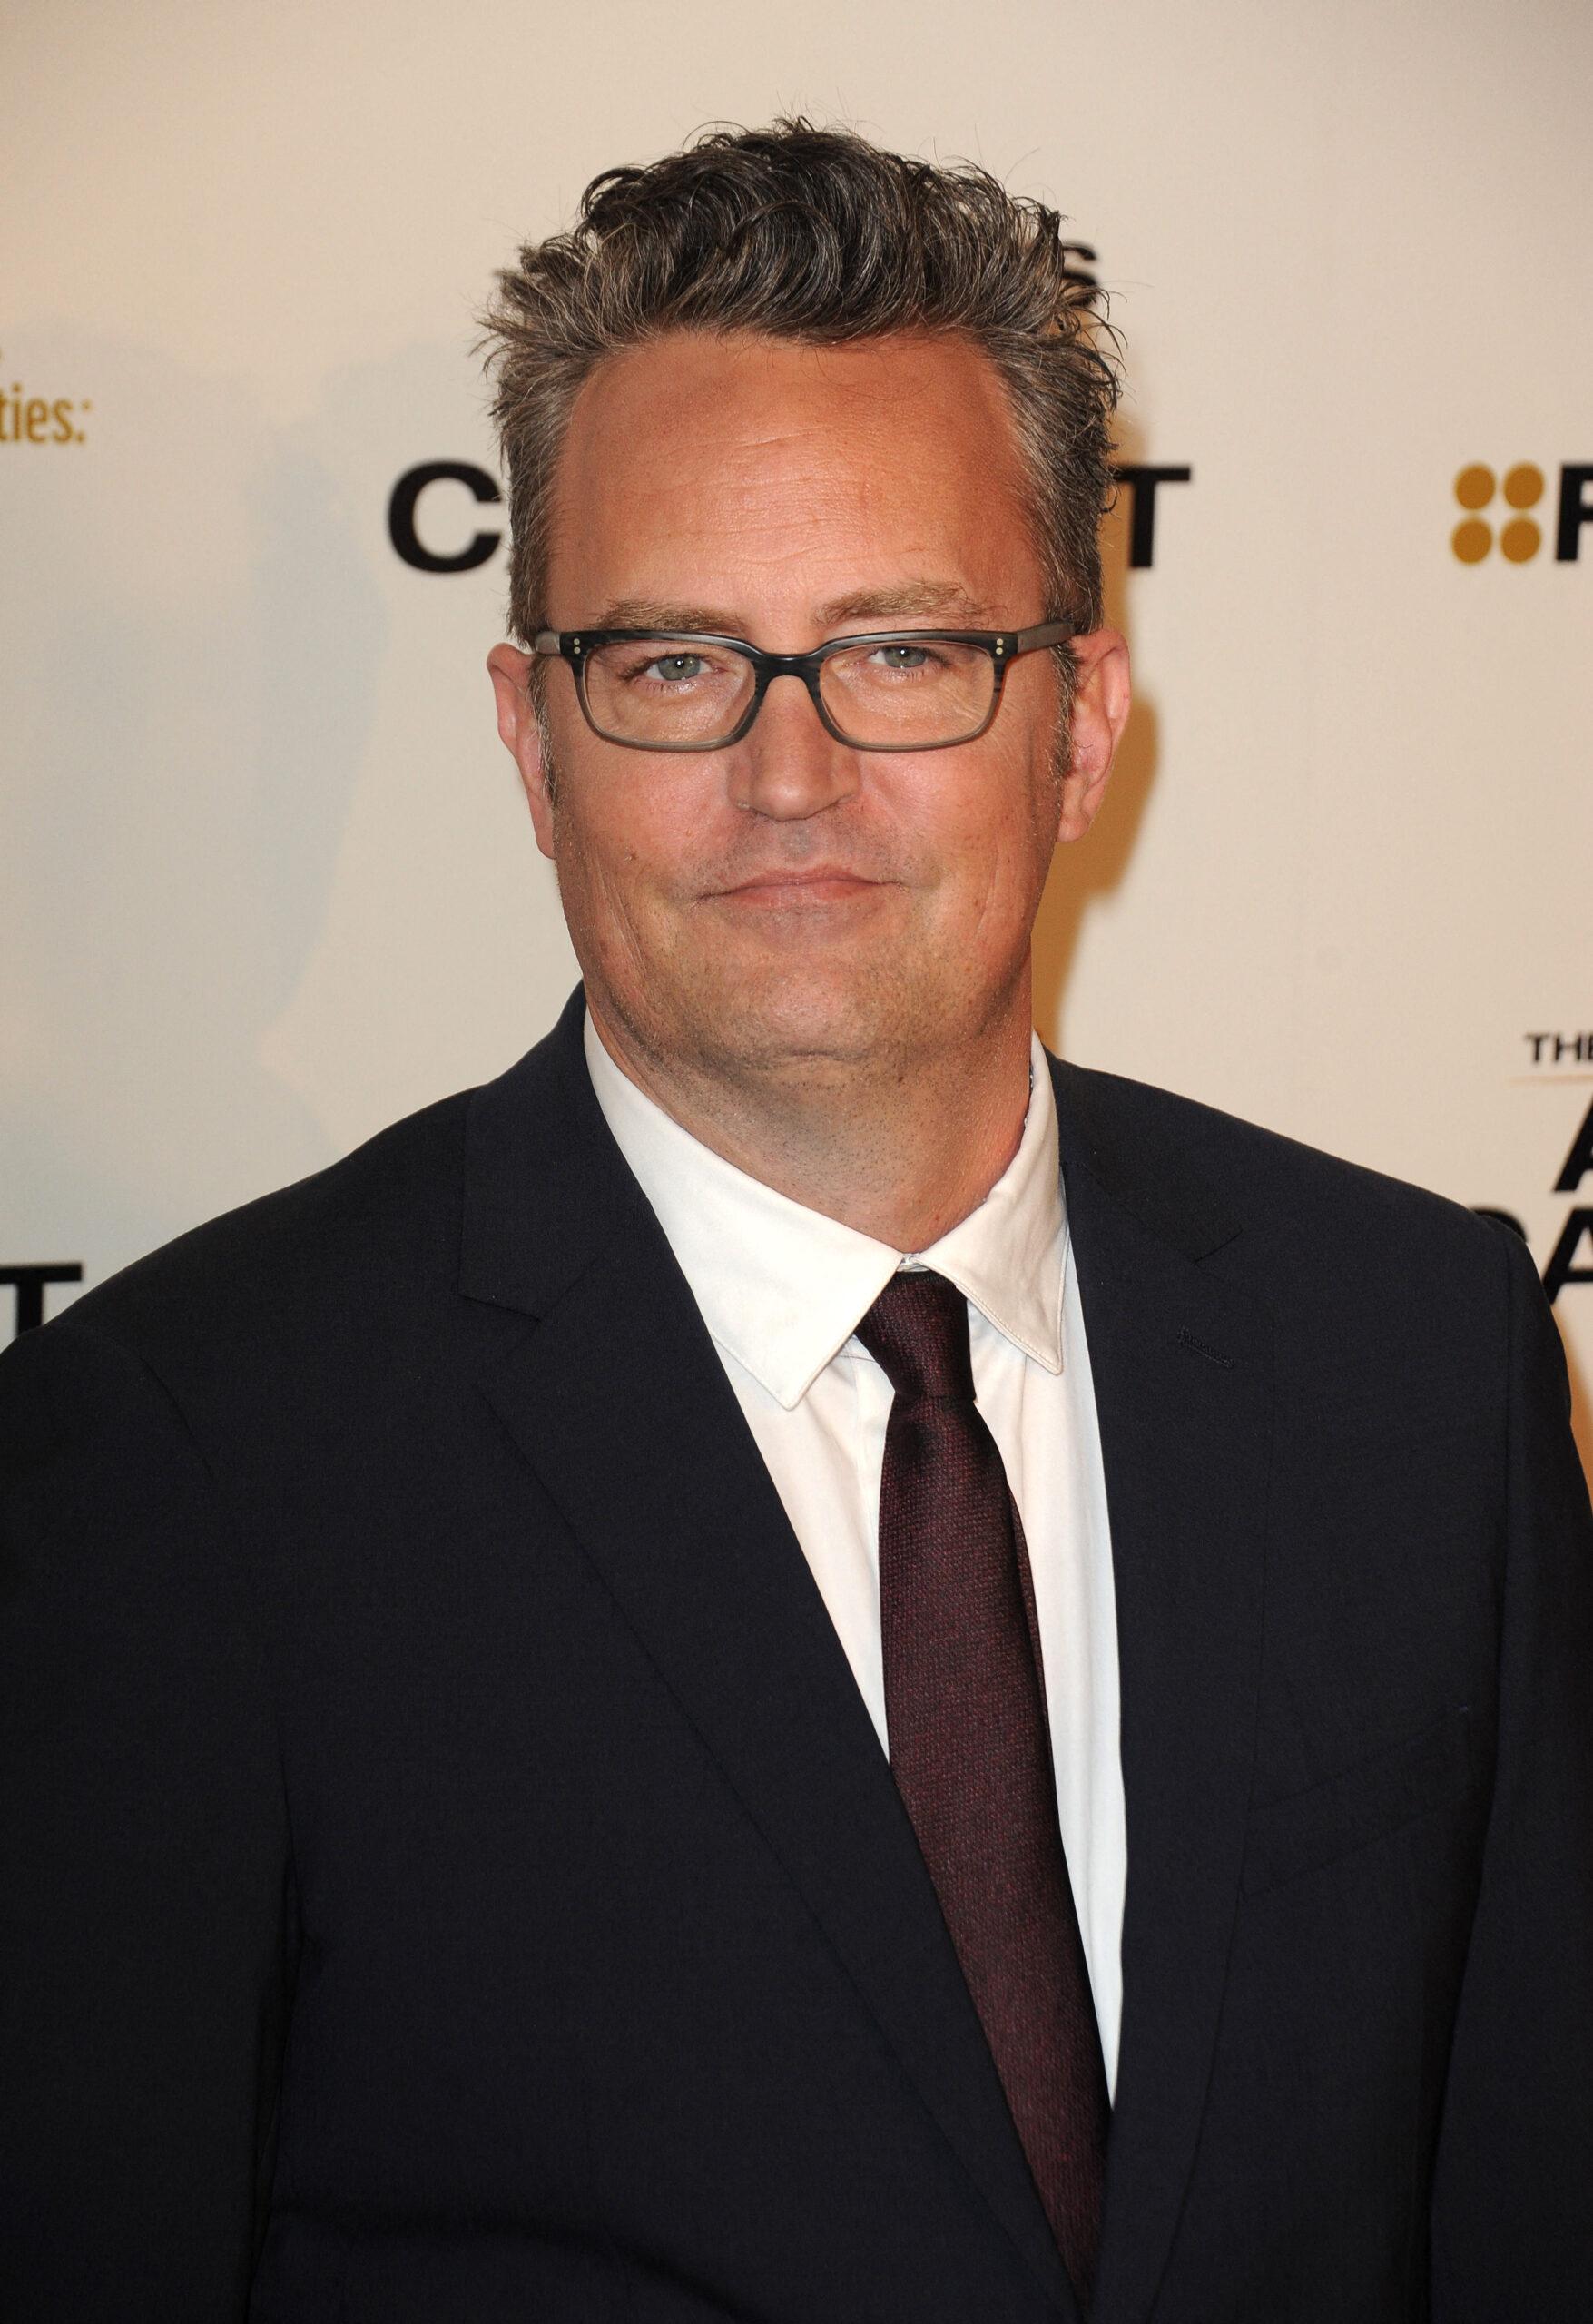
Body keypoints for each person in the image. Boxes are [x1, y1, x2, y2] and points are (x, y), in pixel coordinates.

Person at [2, 120, 1588, 2324]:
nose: (786, 773)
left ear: (1079, 723)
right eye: (670, 664)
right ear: (531, 739)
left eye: (904, 649)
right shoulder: (184, 1455)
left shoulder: (1410, 1350)